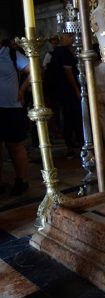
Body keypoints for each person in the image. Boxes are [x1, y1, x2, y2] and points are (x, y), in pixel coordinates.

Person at [0, 27, 30, 196]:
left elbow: (32, 70)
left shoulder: (11, 54)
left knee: (15, 145)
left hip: (11, 107)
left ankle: (22, 180)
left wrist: (22, 89)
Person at [50, 32, 83, 158]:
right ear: (63, 38)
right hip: (68, 92)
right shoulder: (63, 52)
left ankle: (72, 143)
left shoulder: (59, 52)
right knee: (73, 118)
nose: (72, 39)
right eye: (70, 37)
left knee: (69, 118)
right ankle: (76, 143)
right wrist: (76, 90)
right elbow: (68, 72)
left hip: (62, 92)